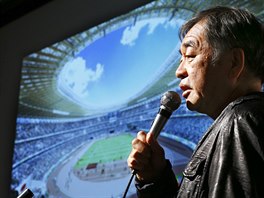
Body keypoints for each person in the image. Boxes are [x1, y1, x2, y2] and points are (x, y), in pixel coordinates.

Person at [127, 6, 264, 198]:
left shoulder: (240, 121)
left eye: (190, 56)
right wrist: (154, 179)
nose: (179, 71)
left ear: (234, 62)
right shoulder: (241, 121)